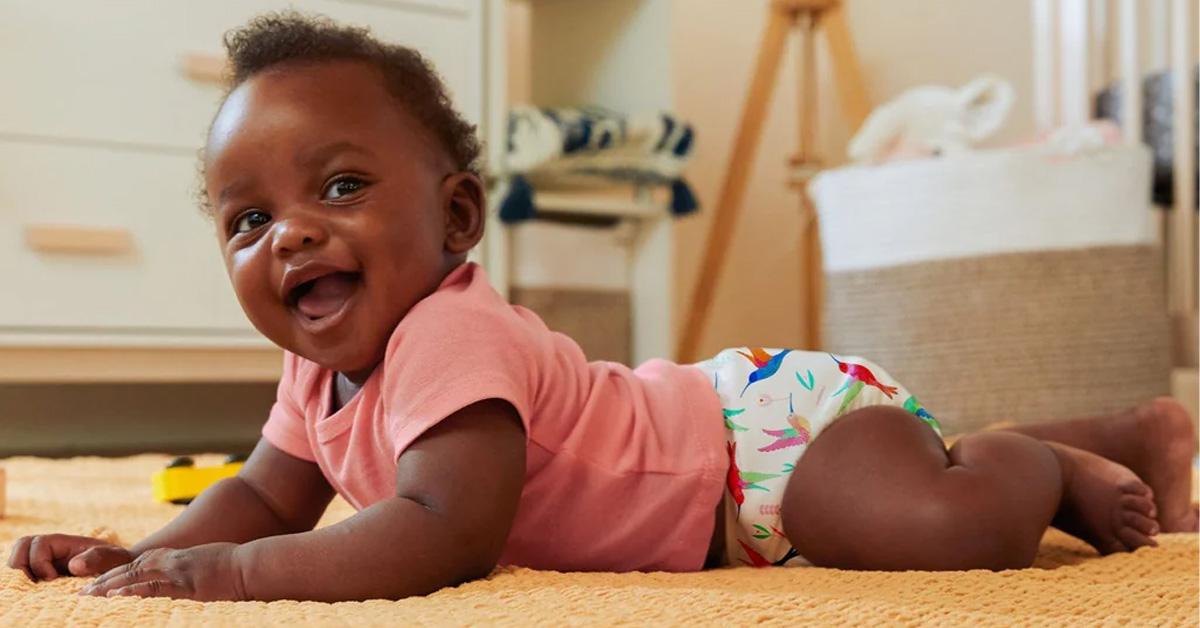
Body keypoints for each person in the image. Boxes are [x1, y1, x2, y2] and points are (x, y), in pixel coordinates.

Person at [8, 13, 1196, 602]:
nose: (293, 234)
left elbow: (443, 530)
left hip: (754, 451)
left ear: (459, 220)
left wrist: (234, 579)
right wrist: (142, 555)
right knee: (906, 500)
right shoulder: (319, 371)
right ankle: (1116, 432)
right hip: (717, 499)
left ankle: (1034, 460)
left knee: (935, 531)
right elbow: (266, 490)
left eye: (342, 186)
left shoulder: (451, 329)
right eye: (247, 219)